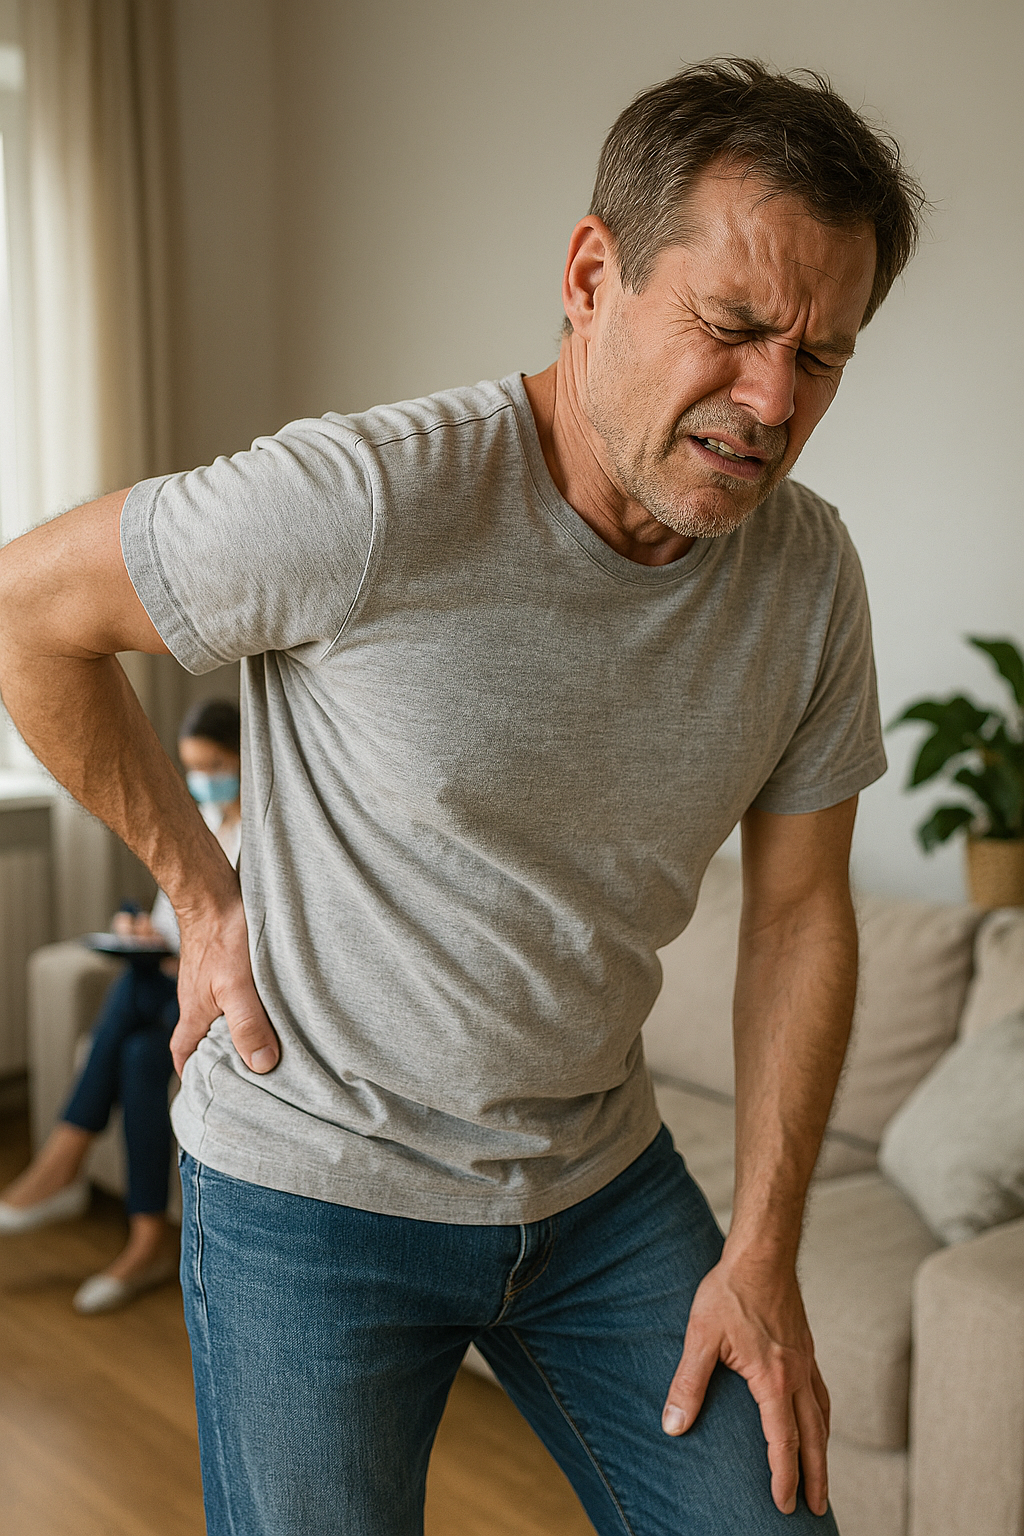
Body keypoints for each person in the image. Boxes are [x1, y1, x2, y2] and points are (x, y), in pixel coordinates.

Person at [0, 57, 925, 1536]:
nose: (771, 401)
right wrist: (199, 889)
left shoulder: (810, 580)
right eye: (737, 328)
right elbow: (24, 615)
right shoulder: (369, 500)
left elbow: (803, 914)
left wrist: (763, 1250)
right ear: (589, 273)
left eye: (820, 358)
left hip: (600, 1190)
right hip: (316, 1191)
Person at [0, 700, 241, 1314]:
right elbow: (174, 923)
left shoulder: (264, 837)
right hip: (167, 988)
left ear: (246, 759)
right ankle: (148, 1242)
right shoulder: (201, 826)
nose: (205, 779)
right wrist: (138, 930)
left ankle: (60, 1161)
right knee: (137, 1058)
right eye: (194, 768)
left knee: (131, 993)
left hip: (211, 1000)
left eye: (216, 765)